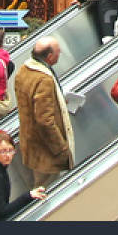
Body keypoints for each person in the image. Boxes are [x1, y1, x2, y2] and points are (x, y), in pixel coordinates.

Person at [14, 38, 74, 188]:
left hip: (30, 147)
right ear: (50, 57)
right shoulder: (44, 80)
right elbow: (44, 121)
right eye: (58, 52)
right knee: (46, 191)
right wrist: (61, 148)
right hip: (46, 154)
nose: (60, 54)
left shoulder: (24, 70)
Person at [0, 131, 48, 219]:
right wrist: (28, 196)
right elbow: (2, 212)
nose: (8, 155)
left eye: (11, 150)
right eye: (3, 152)